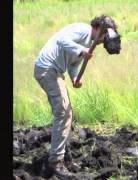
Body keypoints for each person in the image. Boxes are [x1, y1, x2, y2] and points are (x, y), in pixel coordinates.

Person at [33, 15, 119, 178]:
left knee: (65, 114)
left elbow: (73, 65)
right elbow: (61, 40)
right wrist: (81, 50)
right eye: (103, 36)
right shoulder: (81, 30)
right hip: (47, 68)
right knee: (64, 112)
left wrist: (74, 78)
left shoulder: (89, 43)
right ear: (96, 28)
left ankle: (63, 155)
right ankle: (56, 162)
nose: (102, 41)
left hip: (56, 71)